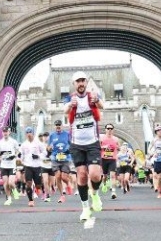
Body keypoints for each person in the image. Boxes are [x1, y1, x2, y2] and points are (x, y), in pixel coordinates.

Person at [63, 71, 104, 222]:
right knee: (81, 175)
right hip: (76, 143)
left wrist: (97, 100)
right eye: (77, 81)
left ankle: (95, 194)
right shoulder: (70, 97)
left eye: (82, 81)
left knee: (94, 175)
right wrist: (69, 105)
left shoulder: (92, 96)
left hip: (92, 142)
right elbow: (65, 109)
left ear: (86, 82)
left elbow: (102, 106)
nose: (80, 83)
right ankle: (85, 208)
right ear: (74, 84)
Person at [19, 127, 46, 207]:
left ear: (33, 133)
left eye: (30, 133)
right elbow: (21, 154)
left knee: (38, 185)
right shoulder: (24, 144)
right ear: (26, 134)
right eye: (27, 133)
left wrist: (38, 156)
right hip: (28, 166)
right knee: (28, 183)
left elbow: (44, 152)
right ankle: (30, 200)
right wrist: (20, 158)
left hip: (37, 166)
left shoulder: (38, 143)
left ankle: (38, 188)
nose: (29, 134)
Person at [49, 120, 73, 203]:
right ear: (54, 126)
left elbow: (72, 144)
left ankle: (68, 184)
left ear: (62, 126)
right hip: (55, 158)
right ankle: (62, 196)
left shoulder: (67, 134)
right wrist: (49, 148)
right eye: (56, 125)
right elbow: (49, 146)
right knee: (58, 176)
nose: (58, 126)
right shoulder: (52, 135)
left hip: (65, 158)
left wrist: (68, 150)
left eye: (59, 124)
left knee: (63, 177)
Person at [0, 126, 20, 205]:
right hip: (4, 165)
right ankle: (9, 199)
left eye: (6, 132)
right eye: (4, 132)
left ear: (9, 132)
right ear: (2, 133)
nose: (5, 133)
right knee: (5, 183)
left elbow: (17, 151)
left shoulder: (13, 141)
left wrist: (14, 156)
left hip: (12, 165)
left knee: (11, 183)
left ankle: (15, 190)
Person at [99, 123, 119, 199]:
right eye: (108, 128)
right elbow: (98, 147)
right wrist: (104, 147)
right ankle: (104, 184)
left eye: (111, 129)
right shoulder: (101, 138)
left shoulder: (116, 139)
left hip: (112, 159)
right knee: (104, 176)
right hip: (104, 159)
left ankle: (113, 192)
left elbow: (118, 147)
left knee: (112, 175)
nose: (109, 130)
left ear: (113, 130)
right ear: (105, 130)